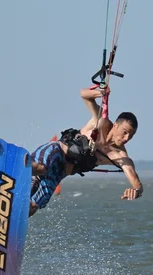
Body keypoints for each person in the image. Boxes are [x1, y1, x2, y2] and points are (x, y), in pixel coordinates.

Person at [29, 85, 143, 217]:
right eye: (125, 132)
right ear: (116, 125)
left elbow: (137, 183)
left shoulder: (119, 156)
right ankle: (17, 165)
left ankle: (8, 224)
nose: (127, 138)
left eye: (131, 135)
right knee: (41, 168)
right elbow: (84, 95)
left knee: (33, 206)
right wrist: (99, 92)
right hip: (56, 151)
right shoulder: (100, 121)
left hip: (59, 172)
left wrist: (136, 191)